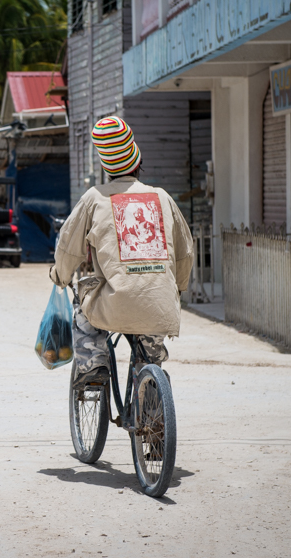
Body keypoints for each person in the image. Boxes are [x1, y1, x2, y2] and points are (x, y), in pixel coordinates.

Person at [49, 117, 193, 389]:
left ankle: (93, 365)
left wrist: (60, 275)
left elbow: (68, 248)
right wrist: (179, 287)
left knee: (82, 301)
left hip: (113, 305)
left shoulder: (94, 198)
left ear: (106, 167)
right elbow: (185, 252)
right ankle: (151, 401)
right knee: (148, 363)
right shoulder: (162, 197)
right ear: (137, 161)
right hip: (158, 306)